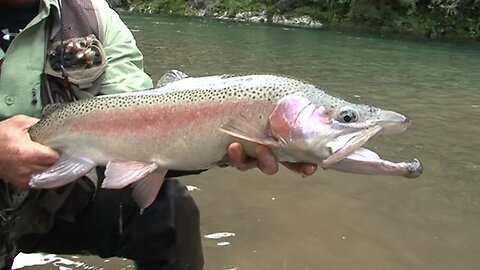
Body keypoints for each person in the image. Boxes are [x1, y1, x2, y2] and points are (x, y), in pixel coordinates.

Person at [0, 0, 317, 269]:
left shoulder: (92, 16)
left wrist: (229, 139)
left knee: (169, 214)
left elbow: (142, 121)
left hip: (59, 196)